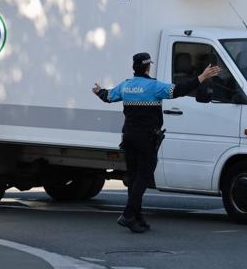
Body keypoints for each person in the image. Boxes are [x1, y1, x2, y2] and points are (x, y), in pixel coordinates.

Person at [92, 52, 221, 233]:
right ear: (147, 67)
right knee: (143, 177)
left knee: (135, 177)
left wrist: (99, 92)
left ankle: (137, 219)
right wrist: (201, 77)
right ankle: (128, 214)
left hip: (128, 138)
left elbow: (108, 96)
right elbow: (179, 90)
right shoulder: (153, 87)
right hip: (146, 139)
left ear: (134, 67)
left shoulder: (126, 86)